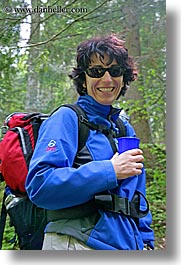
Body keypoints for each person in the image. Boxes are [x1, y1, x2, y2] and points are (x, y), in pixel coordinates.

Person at [25, 34, 154, 250]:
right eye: (96, 71)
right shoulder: (67, 118)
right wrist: (109, 171)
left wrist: (147, 241)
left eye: (115, 71)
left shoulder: (123, 129)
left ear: (123, 78)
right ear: (83, 79)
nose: (107, 79)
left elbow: (136, 196)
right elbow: (40, 186)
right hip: (75, 242)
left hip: (125, 246)